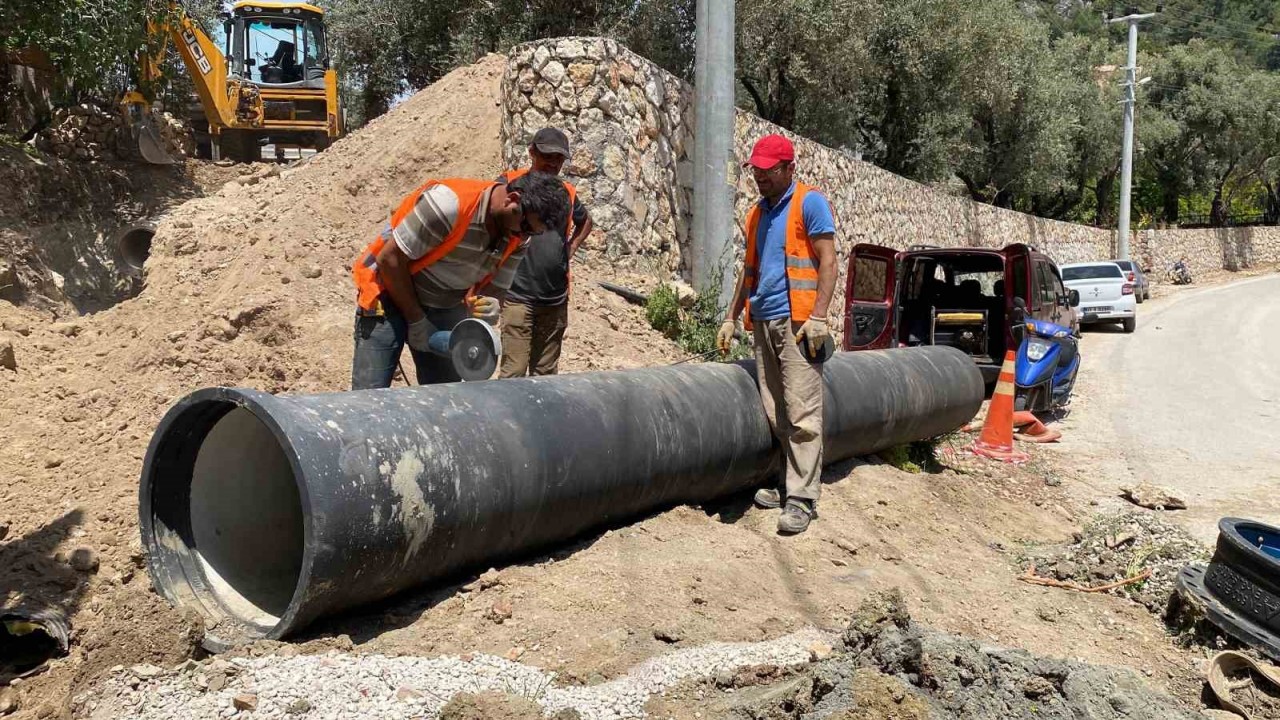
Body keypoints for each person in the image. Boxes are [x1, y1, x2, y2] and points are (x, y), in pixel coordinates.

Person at [716, 134, 839, 535]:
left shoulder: (809, 203)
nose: (760, 178)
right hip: (764, 320)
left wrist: (818, 317)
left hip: (799, 324)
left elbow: (829, 261)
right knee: (777, 409)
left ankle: (803, 498)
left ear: (789, 168)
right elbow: (747, 271)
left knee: (802, 410)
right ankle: (786, 485)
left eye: (768, 171)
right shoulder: (757, 214)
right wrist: (732, 317)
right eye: (756, 170)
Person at [349, 173, 568, 390]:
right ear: (512, 199)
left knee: (447, 397)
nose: (524, 236)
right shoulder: (449, 206)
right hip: (390, 293)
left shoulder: (518, 237)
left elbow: (495, 290)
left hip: (445, 304)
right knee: (370, 398)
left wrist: (489, 305)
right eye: (526, 227)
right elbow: (389, 260)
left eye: (533, 233)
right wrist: (417, 320)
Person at [497, 128, 593, 378]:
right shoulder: (509, 183)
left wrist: (571, 248)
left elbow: (586, 222)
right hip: (517, 296)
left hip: (555, 299)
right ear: (532, 152)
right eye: (547, 156)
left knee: (546, 375)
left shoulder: (567, 193)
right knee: (513, 374)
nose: (552, 163)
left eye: (558, 159)